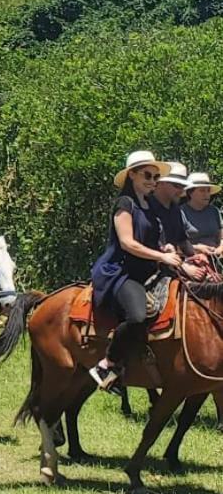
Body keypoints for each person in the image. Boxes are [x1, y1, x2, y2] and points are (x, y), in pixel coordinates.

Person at [88, 150, 182, 391]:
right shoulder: (125, 204)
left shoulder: (150, 205)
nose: (152, 181)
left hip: (148, 271)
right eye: (147, 175)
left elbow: (150, 241)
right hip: (122, 273)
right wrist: (162, 256)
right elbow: (127, 243)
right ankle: (107, 363)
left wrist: (165, 247)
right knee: (138, 316)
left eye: (156, 177)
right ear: (132, 175)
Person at [183, 171, 223, 255]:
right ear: (190, 193)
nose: (206, 194)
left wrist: (219, 249)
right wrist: (197, 248)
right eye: (202, 191)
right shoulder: (181, 212)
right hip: (191, 259)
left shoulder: (214, 211)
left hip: (216, 258)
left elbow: (221, 238)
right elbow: (175, 243)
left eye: (208, 191)